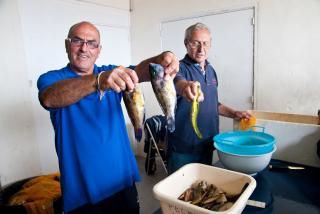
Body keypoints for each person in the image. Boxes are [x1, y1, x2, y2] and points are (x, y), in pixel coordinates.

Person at [37, 21, 179, 213]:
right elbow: (49, 98)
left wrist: (164, 58)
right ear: (66, 45)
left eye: (91, 43)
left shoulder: (112, 73)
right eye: (77, 41)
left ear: (99, 50)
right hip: (83, 192)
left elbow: (144, 70)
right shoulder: (52, 79)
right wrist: (98, 81)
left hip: (123, 181)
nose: (84, 48)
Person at [167, 22, 251, 174]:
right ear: (186, 44)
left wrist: (234, 113)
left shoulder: (211, 71)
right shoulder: (178, 68)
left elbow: (214, 104)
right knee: (180, 194)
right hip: (183, 147)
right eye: (195, 43)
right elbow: (179, 82)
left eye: (205, 43)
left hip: (207, 144)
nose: (201, 49)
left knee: (202, 191)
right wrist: (186, 86)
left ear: (210, 44)